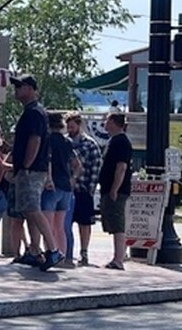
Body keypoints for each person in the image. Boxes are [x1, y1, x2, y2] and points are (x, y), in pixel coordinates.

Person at [10, 74, 63, 271]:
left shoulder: (33, 113)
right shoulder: (34, 112)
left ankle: (53, 250)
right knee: (28, 210)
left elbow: (35, 140)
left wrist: (25, 165)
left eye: (20, 86)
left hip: (31, 170)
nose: (16, 89)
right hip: (34, 170)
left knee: (33, 209)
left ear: (31, 89)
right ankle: (35, 251)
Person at [41, 112, 82, 268]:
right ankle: (63, 257)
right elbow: (77, 164)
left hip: (52, 186)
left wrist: (49, 179)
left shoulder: (48, 141)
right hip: (66, 186)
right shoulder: (68, 142)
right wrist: (73, 179)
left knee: (48, 225)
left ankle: (52, 253)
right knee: (60, 226)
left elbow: (48, 160)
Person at [65, 112, 102, 267]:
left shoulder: (90, 144)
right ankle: (66, 252)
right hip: (66, 190)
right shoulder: (65, 142)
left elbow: (96, 166)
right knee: (65, 223)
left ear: (79, 125)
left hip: (83, 188)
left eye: (72, 126)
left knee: (84, 223)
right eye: (68, 126)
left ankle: (84, 252)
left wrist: (90, 189)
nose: (70, 129)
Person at [98, 112, 133, 270]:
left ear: (113, 122)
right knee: (113, 223)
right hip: (109, 188)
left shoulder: (121, 142)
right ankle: (118, 256)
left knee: (118, 224)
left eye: (107, 120)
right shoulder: (114, 140)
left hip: (117, 190)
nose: (105, 123)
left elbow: (121, 167)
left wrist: (114, 189)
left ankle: (119, 259)